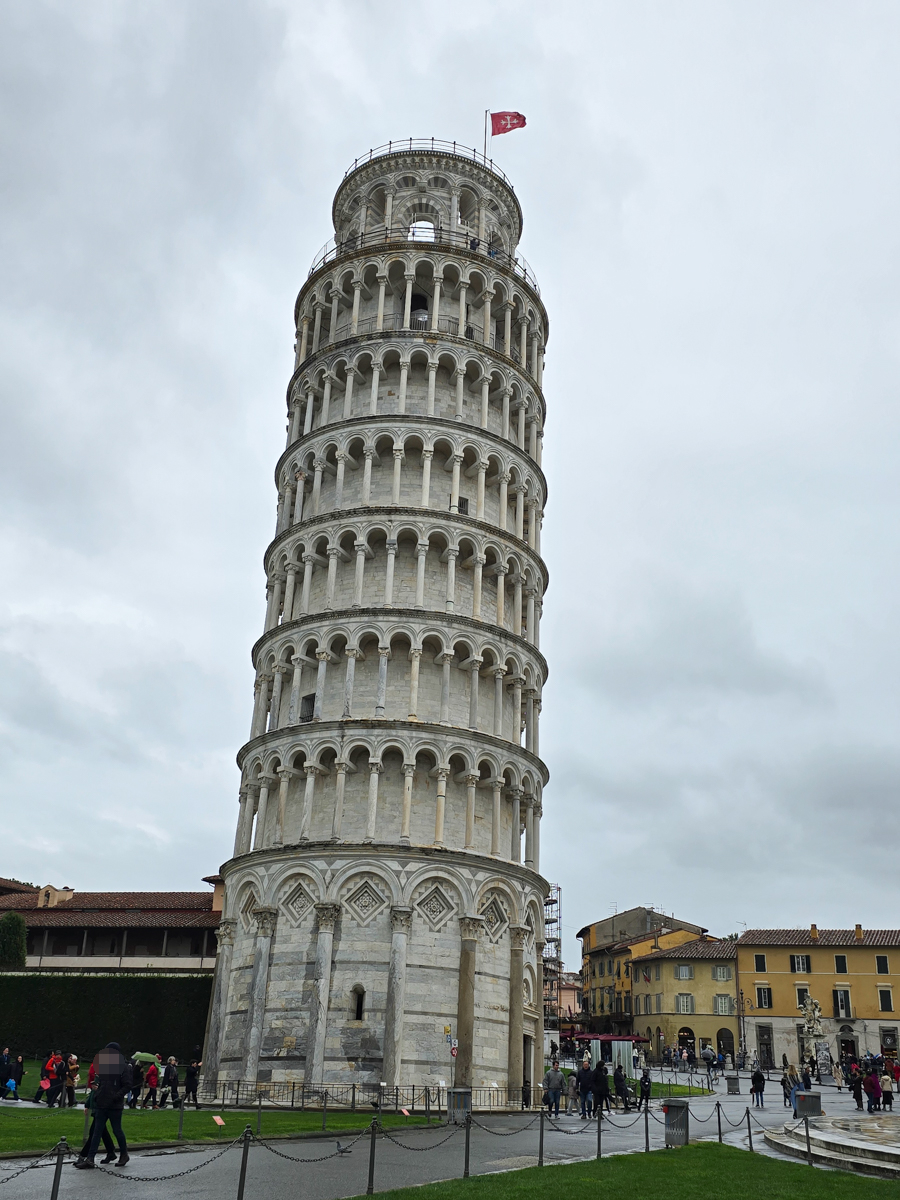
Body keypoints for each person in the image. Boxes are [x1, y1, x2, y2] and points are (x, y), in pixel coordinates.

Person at [75, 1042, 132, 1169]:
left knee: (117, 1130)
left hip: (114, 1104)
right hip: (101, 1102)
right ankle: (90, 1159)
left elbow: (127, 1085)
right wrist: (97, 1093)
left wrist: (116, 1097)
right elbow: (101, 1082)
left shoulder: (125, 1067)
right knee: (96, 1132)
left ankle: (124, 1154)